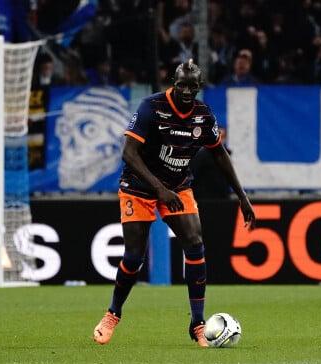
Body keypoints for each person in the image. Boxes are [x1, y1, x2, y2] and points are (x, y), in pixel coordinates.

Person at [93, 59, 256, 347]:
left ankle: (197, 323)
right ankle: (112, 313)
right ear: (173, 83)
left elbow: (220, 155)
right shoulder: (151, 107)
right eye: (181, 85)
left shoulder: (204, 116)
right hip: (138, 186)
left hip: (178, 186)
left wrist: (242, 197)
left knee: (195, 243)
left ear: (199, 88)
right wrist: (159, 189)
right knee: (134, 256)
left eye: (192, 86)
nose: (186, 91)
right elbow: (129, 153)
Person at [190, 126, 231, 199]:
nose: (220, 140)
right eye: (218, 137)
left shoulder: (227, 156)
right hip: (204, 199)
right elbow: (192, 176)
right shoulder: (200, 155)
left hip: (222, 198)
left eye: (223, 137)